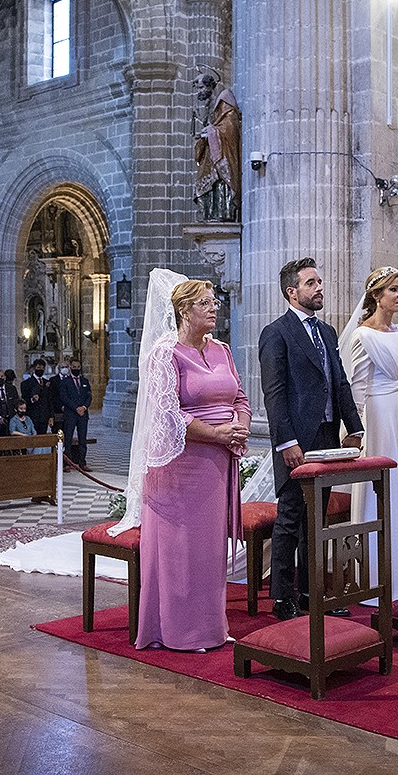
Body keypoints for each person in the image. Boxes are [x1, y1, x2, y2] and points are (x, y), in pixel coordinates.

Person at [116, 272, 250, 651]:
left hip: (219, 462)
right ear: (184, 311)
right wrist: (217, 433)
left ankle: (210, 626)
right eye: (205, 303)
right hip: (181, 467)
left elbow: (240, 397)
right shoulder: (165, 353)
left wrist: (239, 426)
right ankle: (177, 631)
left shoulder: (222, 349)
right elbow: (167, 414)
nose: (214, 308)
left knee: (210, 552)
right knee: (183, 551)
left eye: (214, 302)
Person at [259, 257, 364, 621]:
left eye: (319, 281)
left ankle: (310, 591)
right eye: (311, 283)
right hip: (297, 439)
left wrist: (355, 427)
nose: (320, 287)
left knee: (314, 519)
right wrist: (286, 443)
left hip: (326, 434)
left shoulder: (328, 332)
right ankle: (282, 596)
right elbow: (274, 393)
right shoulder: (277, 332)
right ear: (292, 291)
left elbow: (340, 382)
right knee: (290, 517)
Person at [339, 266, 398, 601]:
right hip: (378, 418)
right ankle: (378, 577)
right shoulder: (362, 336)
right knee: (382, 492)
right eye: (393, 290)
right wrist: (358, 431)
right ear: (376, 296)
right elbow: (358, 388)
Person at [190, 67, 242, 222]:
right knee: (204, 181)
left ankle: (222, 213)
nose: (198, 92)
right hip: (210, 153)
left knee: (219, 179)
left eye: (200, 88)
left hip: (223, 153)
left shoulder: (224, 101)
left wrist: (211, 132)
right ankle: (210, 213)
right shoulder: (208, 106)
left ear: (209, 86)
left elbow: (230, 127)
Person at [59, 357, 92, 467]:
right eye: (74, 367)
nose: (76, 369)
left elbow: (89, 396)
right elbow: (64, 398)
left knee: (82, 439)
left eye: (78, 367)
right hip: (71, 414)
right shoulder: (65, 382)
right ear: (70, 368)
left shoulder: (85, 381)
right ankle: (68, 463)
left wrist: (84, 407)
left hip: (83, 414)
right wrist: (76, 408)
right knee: (68, 439)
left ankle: (82, 462)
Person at [20, 359, 54, 434]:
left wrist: (51, 416)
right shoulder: (26, 383)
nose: (40, 370)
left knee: (42, 439)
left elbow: (50, 400)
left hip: (44, 416)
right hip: (32, 416)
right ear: (34, 368)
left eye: (42, 368)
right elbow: (24, 399)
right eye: (38, 368)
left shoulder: (47, 383)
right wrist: (32, 399)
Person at [0, 369, 19, 436]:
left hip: (11, 421)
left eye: (2, 376)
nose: (0, 378)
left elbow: (16, 403)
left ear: (5, 377)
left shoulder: (12, 388)